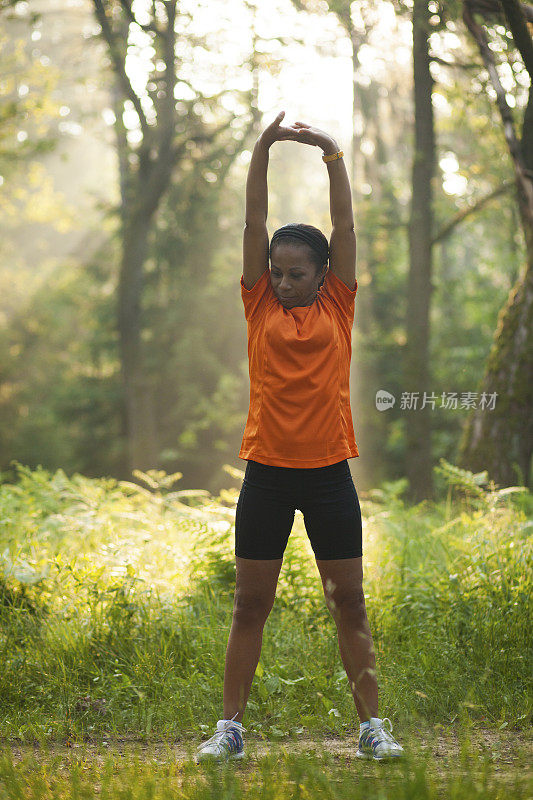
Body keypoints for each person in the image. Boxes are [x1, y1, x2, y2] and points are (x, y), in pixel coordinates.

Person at [196, 111, 404, 763]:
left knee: (349, 603)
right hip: (266, 474)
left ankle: (372, 729)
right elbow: (252, 223)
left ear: (321, 274)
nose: (283, 283)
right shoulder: (257, 302)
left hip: (328, 477)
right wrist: (261, 148)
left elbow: (345, 227)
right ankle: (229, 728)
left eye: (295, 273)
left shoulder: (338, 303)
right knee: (249, 604)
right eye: (276, 273)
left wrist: (331, 154)